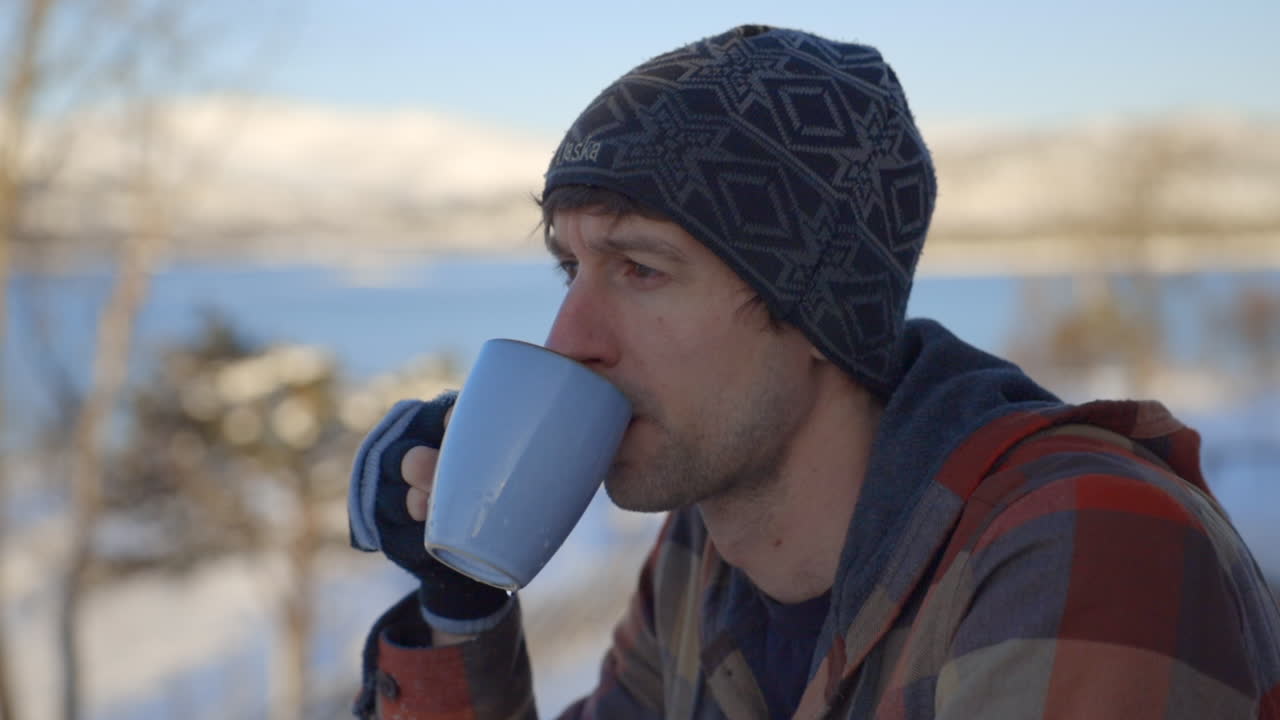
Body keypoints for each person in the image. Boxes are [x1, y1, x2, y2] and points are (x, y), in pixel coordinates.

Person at [346, 25, 1280, 720]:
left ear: (818, 310)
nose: (570, 337)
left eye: (641, 268)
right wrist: (459, 605)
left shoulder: (1081, 552)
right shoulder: (702, 556)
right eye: (569, 266)